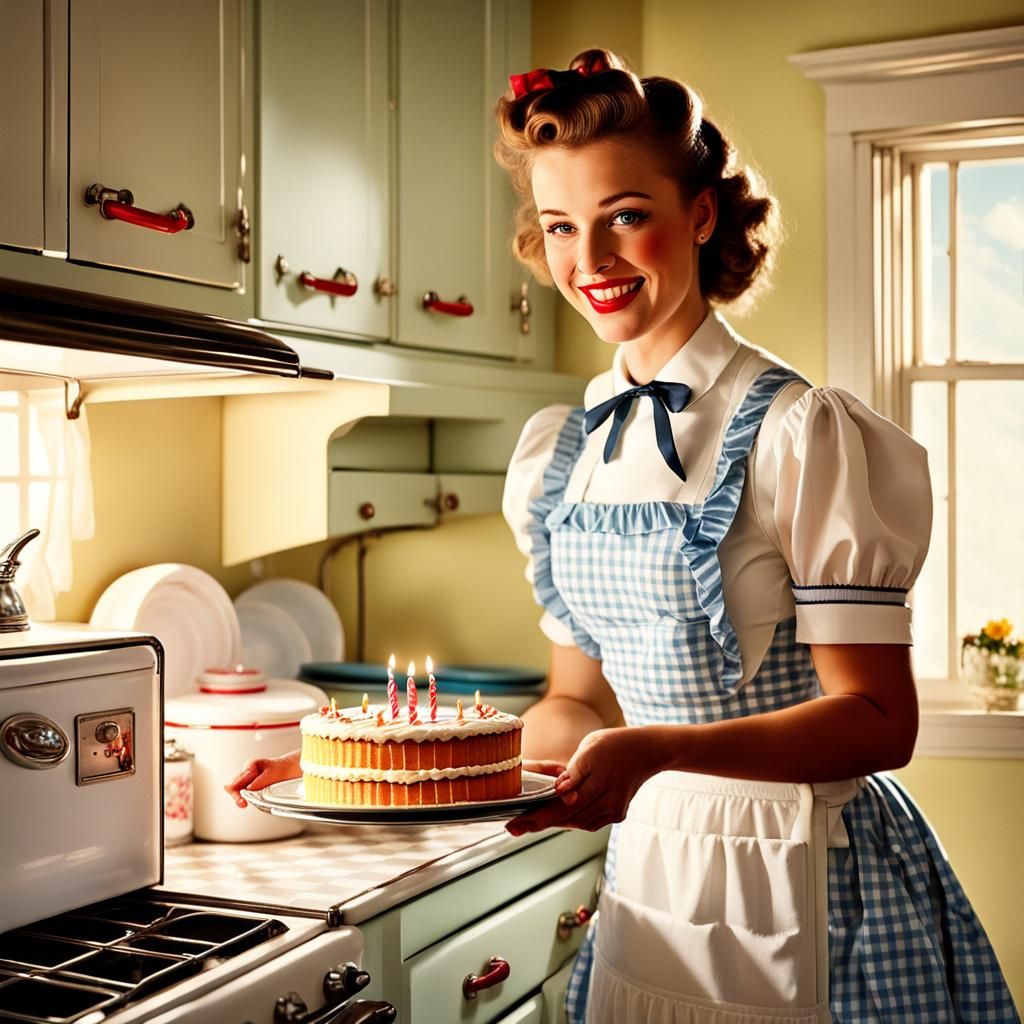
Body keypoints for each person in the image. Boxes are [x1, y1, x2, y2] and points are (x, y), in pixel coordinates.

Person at [495, 48, 1019, 1024]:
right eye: (562, 226)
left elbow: (877, 720)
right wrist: (446, 762)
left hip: (804, 878)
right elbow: (576, 699)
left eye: (625, 217)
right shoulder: (564, 450)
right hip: (652, 876)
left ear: (698, 214)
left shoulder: (798, 431)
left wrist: (648, 750)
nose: (591, 263)